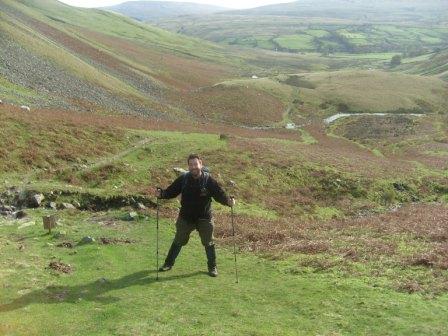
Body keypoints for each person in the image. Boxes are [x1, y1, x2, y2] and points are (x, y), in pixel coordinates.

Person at [156, 154, 235, 277]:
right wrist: (161, 194)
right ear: (188, 166)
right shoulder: (183, 179)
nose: (193, 167)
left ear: (200, 164)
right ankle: (168, 263)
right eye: (191, 165)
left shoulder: (209, 180)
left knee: (208, 242)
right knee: (178, 240)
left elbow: (220, 195)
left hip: (204, 217)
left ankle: (212, 267)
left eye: (195, 164)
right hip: (186, 217)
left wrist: (228, 202)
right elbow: (171, 191)